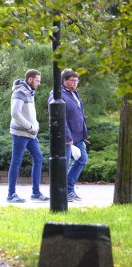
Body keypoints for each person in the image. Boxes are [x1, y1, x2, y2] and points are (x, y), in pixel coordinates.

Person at [6, 69, 49, 203]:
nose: (39, 83)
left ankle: (36, 193)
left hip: (30, 134)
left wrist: (34, 126)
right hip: (21, 133)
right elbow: (15, 113)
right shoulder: (20, 92)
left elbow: (28, 113)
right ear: (30, 79)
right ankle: (11, 194)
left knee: (38, 158)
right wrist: (30, 126)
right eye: (37, 80)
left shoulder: (29, 92)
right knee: (16, 162)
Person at [51, 69, 89, 202]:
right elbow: (61, 118)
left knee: (82, 159)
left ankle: (69, 188)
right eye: (73, 80)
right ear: (64, 81)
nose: (76, 83)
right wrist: (67, 137)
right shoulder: (58, 94)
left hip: (79, 135)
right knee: (64, 164)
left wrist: (84, 133)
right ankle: (61, 192)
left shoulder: (74, 93)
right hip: (67, 137)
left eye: (77, 80)